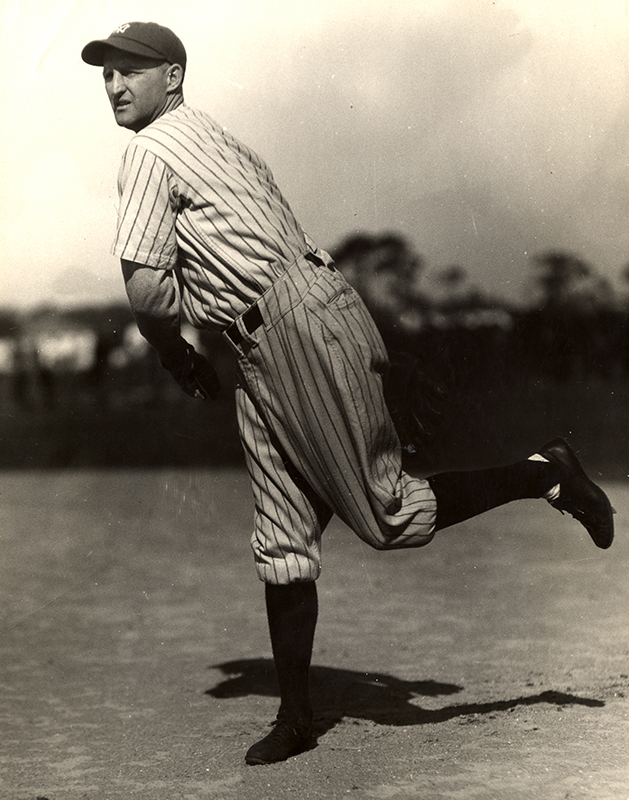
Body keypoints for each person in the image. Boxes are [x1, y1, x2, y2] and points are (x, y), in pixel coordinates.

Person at [81, 22, 615, 766]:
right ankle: (297, 718)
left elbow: (146, 291)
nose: (112, 85)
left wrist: (171, 354)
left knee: (387, 512)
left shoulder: (148, 149)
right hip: (268, 336)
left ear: (171, 76)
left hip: (291, 325)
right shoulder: (213, 136)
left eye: (128, 70)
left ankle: (545, 472)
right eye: (104, 72)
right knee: (281, 536)